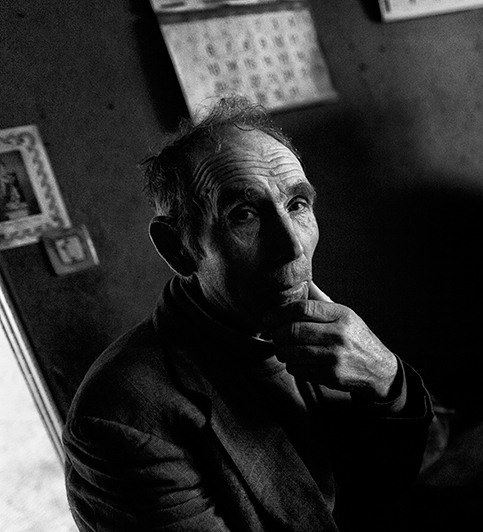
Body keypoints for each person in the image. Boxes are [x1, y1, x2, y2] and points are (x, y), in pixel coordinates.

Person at [62, 97, 433, 531]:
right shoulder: (119, 418)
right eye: (244, 215)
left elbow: (390, 487)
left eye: (297, 205)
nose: (292, 247)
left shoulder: (326, 327)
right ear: (178, 248)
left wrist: (387, 379)